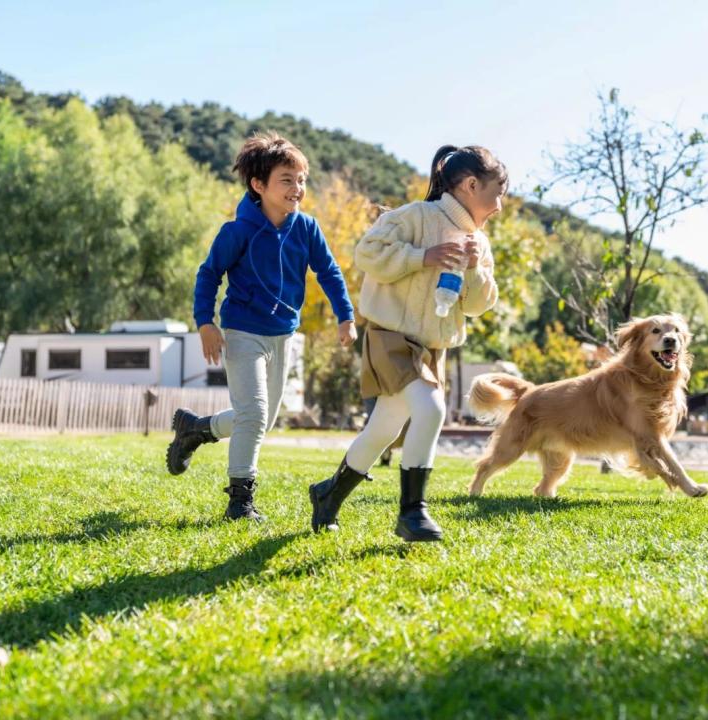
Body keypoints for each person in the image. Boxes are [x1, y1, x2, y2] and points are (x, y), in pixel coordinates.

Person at [309, 145, 504, 541]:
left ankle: (328, 494)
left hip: (431, 349)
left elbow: (479, 306)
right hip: (391, 338)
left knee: (382, 430)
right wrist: (423, 256)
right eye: (497, 192)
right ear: (470, 185)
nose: (499, 205)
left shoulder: (479, 244)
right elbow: (367, 253)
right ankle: (412, 512)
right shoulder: (414, 217)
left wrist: (474, 272)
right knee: (431, 411)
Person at [166, 132, 356, 521]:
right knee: (253, 413)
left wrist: (345, 315)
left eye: (301, 180)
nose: (297, 188)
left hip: (283, 333)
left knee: (262, 420)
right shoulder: (236, 232)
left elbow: (329, 272)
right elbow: (208, 275)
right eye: (287, 179)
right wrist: (205, 322)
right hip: (242, 331)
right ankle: (240, 501)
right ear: (259, 184)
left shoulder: (306, 228)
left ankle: (197, 430)